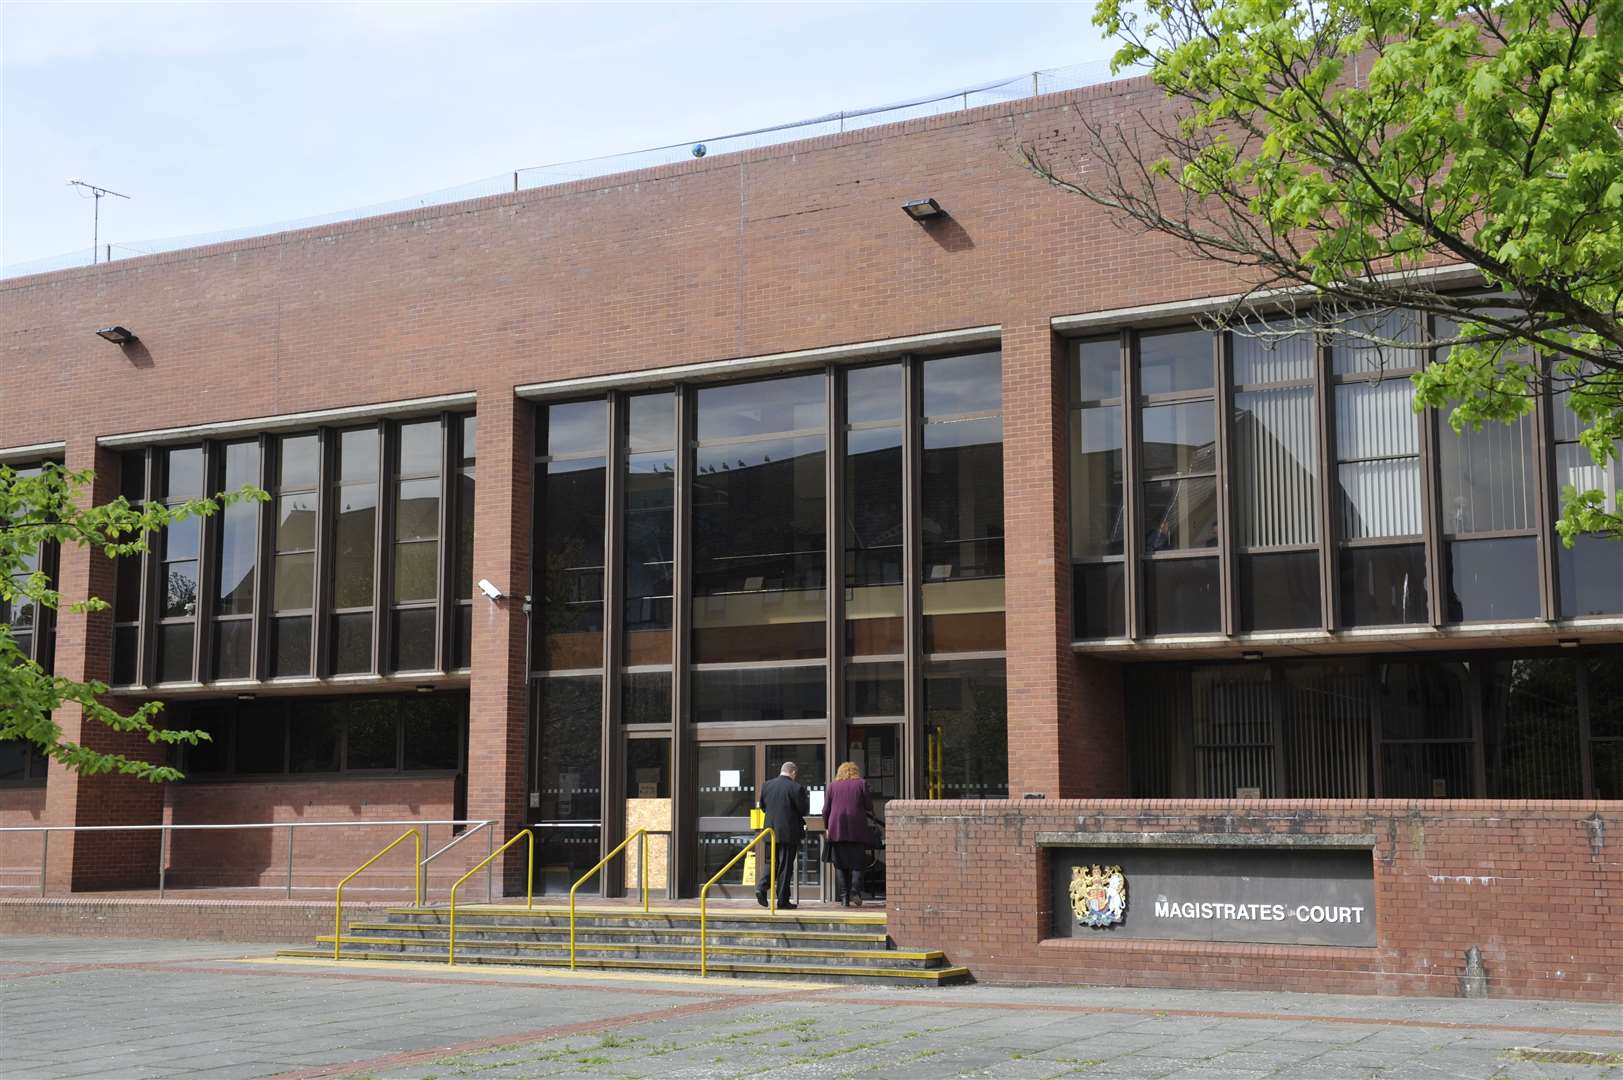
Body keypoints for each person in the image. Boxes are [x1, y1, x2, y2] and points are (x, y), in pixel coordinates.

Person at [756, 760, 809, 910]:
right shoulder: (796, 787)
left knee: (770, 862)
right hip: (788, 833)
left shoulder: (767, 785)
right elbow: (803, 810)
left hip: (769, 831)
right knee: (785, 867)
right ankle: (782, 901)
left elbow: (764, 807)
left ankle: (761, 887)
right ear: (793, 773)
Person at [824, 761, 878, 906]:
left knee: (840, 864)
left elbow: (826, 810)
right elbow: (868, 805)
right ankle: (855, 891)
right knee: (857, 863)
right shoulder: (861, 783)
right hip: (857, 829)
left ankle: (844, 897)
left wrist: (827, 827)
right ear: (856, 771)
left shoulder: (832, 786)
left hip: (837, 829)